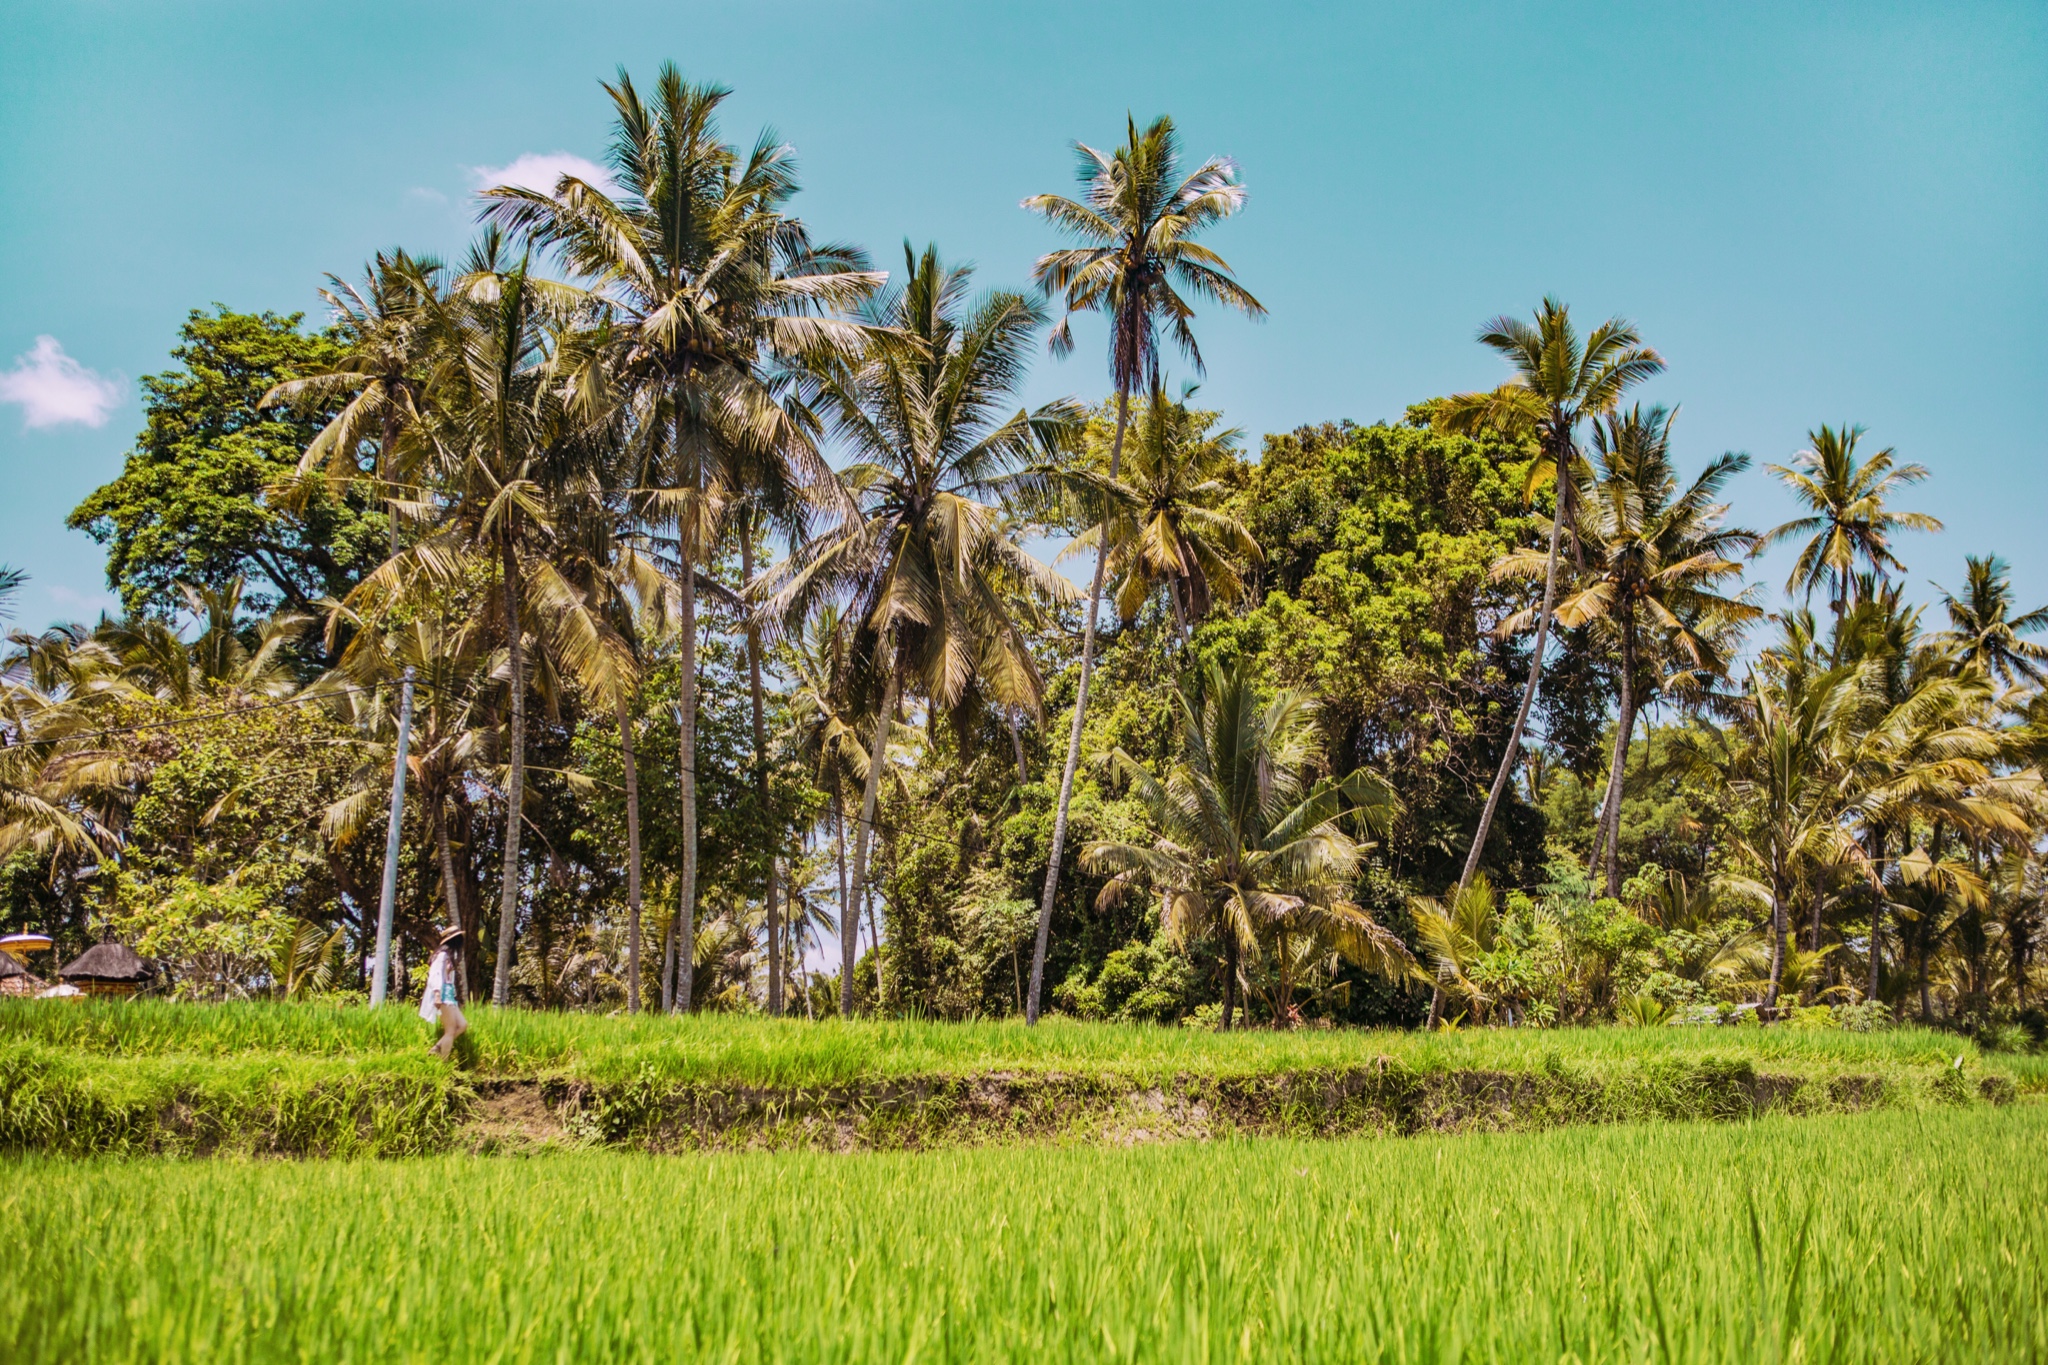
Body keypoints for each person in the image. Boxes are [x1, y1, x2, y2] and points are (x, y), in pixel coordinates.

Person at [419, 927, 468, 1058]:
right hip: (442, 994)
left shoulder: (450, 957)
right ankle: (443, 1061)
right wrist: (437, 995)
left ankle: (436, 1048)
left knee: (462, 1025)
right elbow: (434, 975)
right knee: (450, 1030)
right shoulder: (442, 956)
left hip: (449, 994)